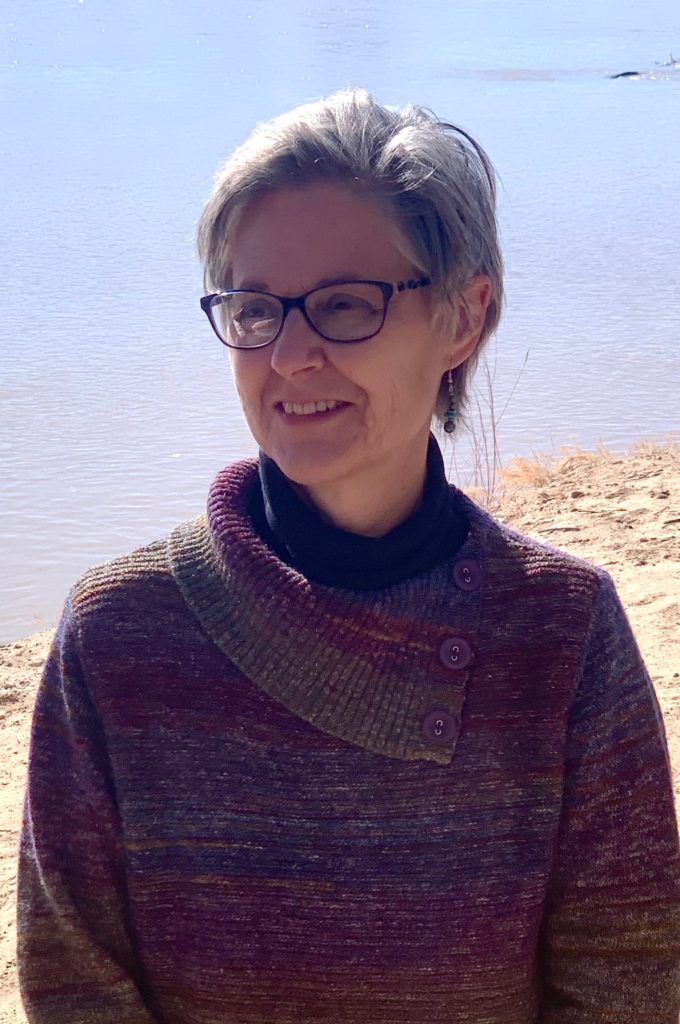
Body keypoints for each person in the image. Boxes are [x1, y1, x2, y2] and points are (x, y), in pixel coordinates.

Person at [16, 88, 680, 1023]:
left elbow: (627, 984)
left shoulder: (561, 634)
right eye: (254, 309)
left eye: (343, 305)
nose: (289, 355)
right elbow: (74, 987)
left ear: (463, 316)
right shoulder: (119, 636)